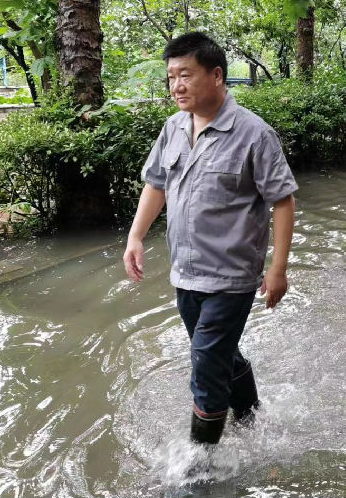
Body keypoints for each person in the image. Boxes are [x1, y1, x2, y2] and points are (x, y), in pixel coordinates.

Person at [123, 31, 298, 447]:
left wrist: (277, 269)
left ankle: (201, 464)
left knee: (204, 365)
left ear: (217, 75)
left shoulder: (254, 134)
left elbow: (282, 201)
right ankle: (250, 412)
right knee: (218, 353)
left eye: (186, 75)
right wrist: (135, 236)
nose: (176, 86)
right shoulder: (173, 127)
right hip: (185, 272)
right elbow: (156, 184)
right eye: (171, 77)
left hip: (231, 276)